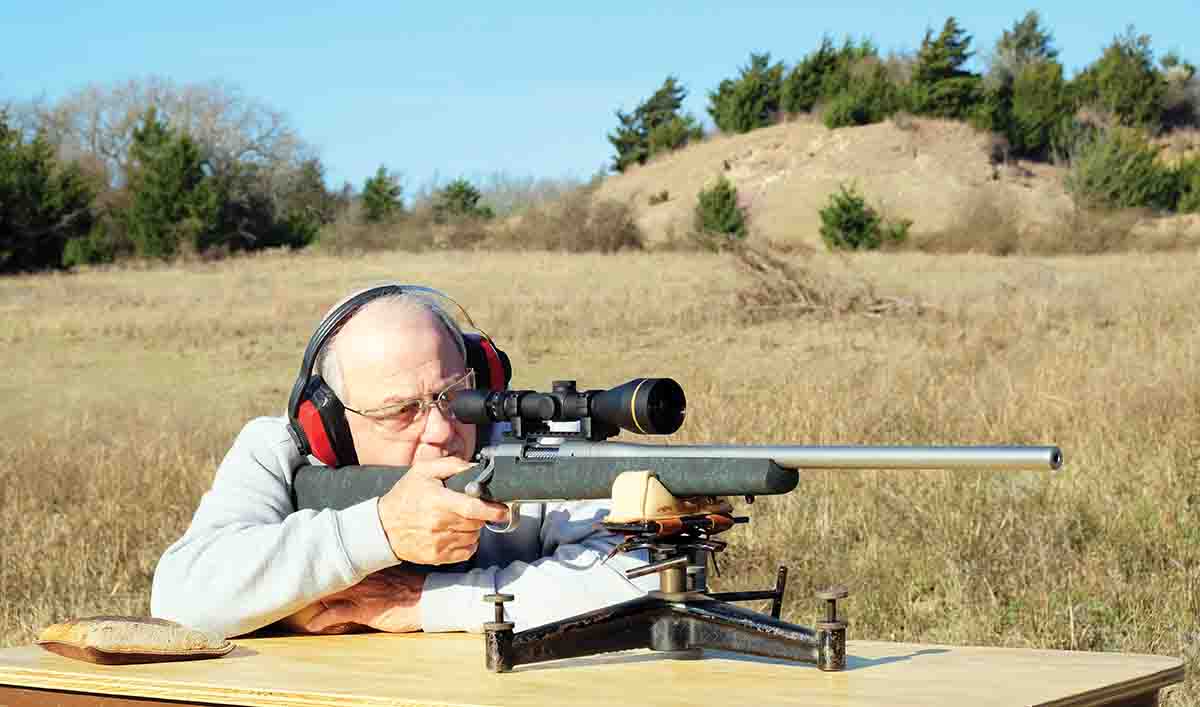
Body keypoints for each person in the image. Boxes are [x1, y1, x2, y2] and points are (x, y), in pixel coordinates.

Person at [151, 285, 652, 638]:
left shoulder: (536, 446)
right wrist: (378, 530)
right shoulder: (281, 450)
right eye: (400, 412)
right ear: (328, 424)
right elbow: (180, 601)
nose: (440, 430)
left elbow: (645, 575)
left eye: (454, 396)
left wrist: (424, 600)